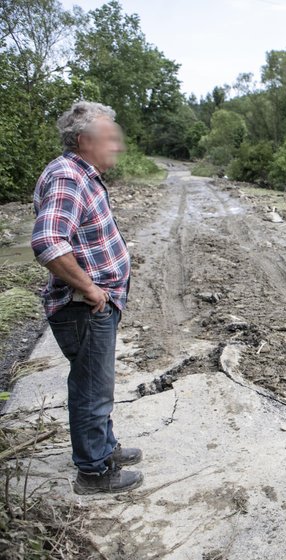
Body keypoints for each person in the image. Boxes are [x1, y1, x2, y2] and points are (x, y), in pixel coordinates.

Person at [30, 101, 143, 495]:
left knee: (96, 385)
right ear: (83, 140)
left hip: (94, 305)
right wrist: (90, 287)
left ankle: (104, 448)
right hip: (85, 307)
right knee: (92, 390)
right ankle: (94, 472)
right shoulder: (68, 177)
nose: (118, 146)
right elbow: (47, 242)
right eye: (110, 138)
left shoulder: (81, 173)